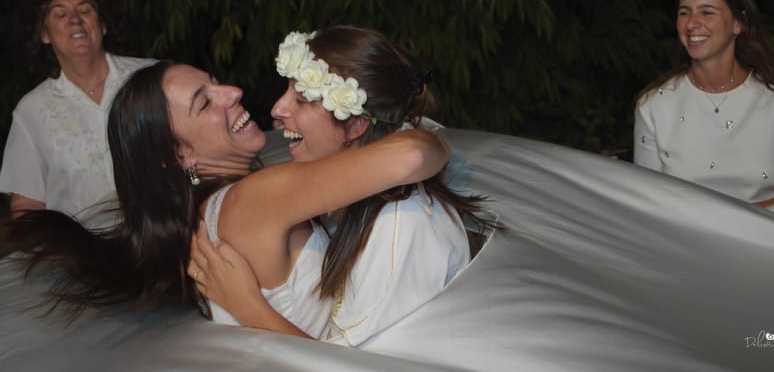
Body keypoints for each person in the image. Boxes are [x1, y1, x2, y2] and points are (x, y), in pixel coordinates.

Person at [2, 60, 450, 338]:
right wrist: (424, 131)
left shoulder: (212, 214)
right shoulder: (249, 201)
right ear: (179, 155)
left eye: (215, 82)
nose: (232, 92)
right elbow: (413, 155)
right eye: (204, 103)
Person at [189, 26, 490, 346]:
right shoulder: (343, 192)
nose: (277, 109)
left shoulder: (399, 227)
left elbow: (348, 364)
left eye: (301, 99)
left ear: (356, 124)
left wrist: (246, 305)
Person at [634, 0, 774, 217]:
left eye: (707, 12)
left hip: (768, 238)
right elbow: (647, 201)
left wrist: (732, 221)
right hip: (681, 238)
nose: (691, 23)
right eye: (684, 12)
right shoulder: (653, 107)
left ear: (738, 23)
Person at [0, 0, 156, 221]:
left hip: (165, 238)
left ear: (103, 25)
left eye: (85, 10)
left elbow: (199, 152)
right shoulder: (31, 110)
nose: (75, 19)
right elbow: (26, 206)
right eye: (60, 14)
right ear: (44, 34)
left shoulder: (152, 78)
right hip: (80, 245)